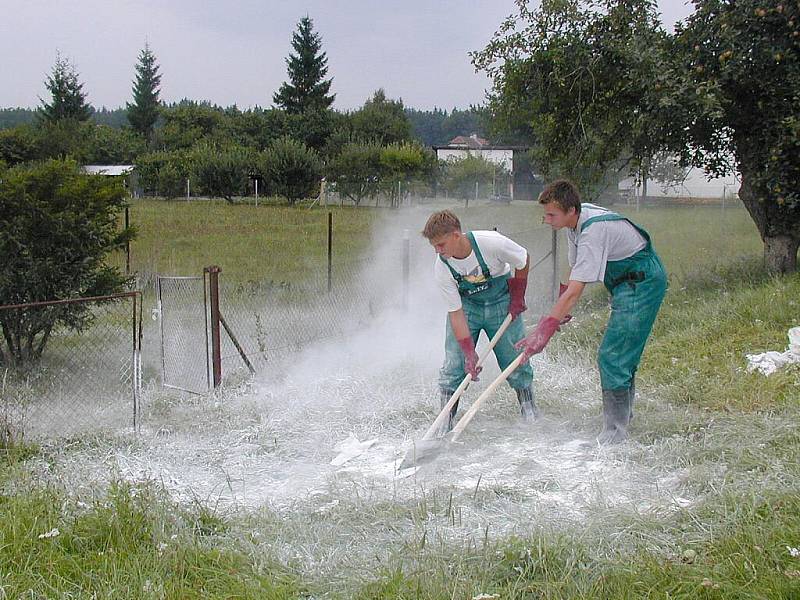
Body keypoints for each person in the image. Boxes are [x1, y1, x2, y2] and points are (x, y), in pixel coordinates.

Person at [515, 180, 667, 444]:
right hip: (624, 282)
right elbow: (573, 272)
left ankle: (614, 434)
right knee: (621, 352)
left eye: (552, 215)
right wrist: (559, 312)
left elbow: (576, 291)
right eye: (546, 214)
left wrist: (545, 329)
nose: (547, 219)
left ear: (571, 210)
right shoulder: (575, 224)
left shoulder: (593, 231)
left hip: (641, 281)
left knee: (613, 354)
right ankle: (623, 418)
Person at [422, 210, 535, 432]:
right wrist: (468, 352)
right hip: (468, 309)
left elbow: (523, 259)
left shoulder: (491, 243)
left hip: (502, 303)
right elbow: (455, 313)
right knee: (454, 364)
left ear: (456, 235)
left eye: (441, 245)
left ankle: (529, 409)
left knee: (514, 356)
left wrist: (518, 298)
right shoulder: (442, 268)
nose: (437, 251)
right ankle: (446, 422)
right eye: (434, 246)